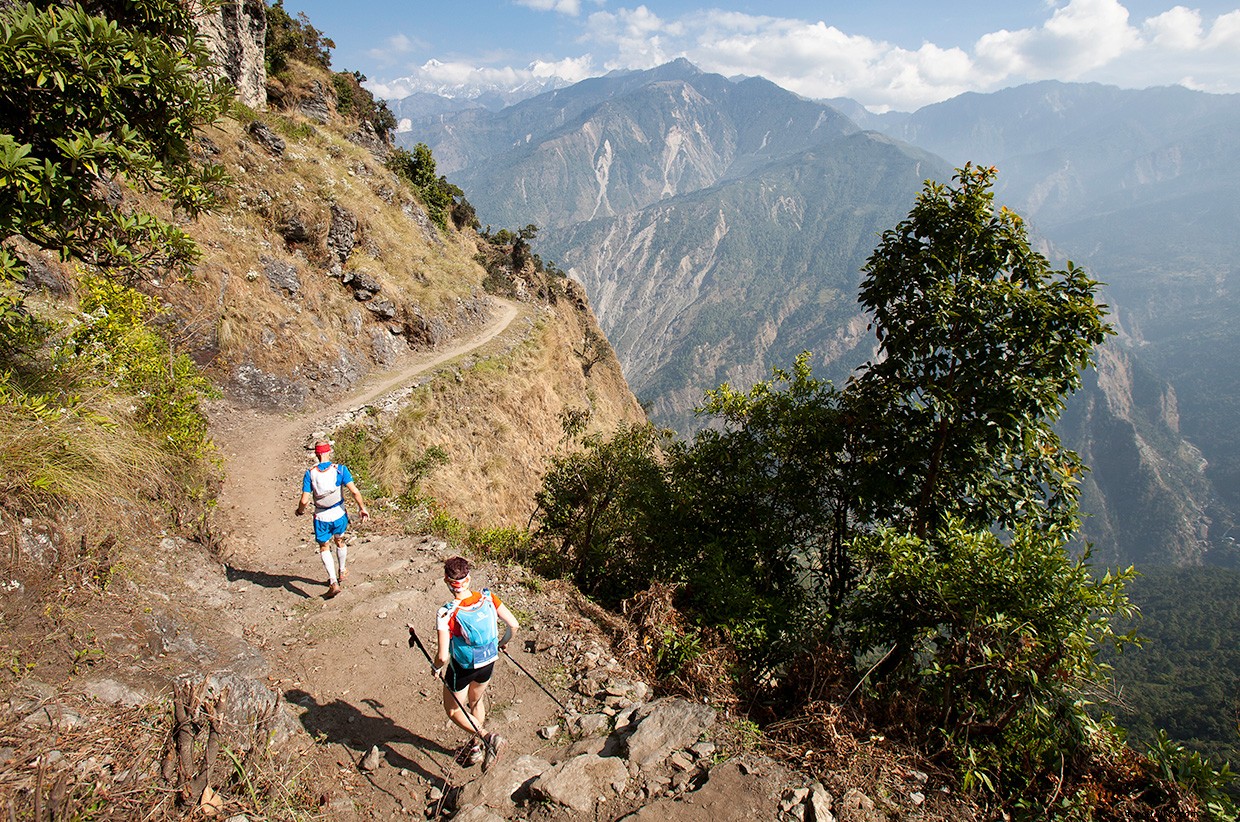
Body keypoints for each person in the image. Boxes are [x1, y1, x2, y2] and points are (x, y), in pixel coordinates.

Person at [433, 556, 520, 771]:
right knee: (476, 701)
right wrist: (503, 642)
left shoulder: (446, 612)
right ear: (468, 579)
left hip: (463, 667)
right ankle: (475, 748)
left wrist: (436, 667)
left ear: (446, 580)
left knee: (454, 711)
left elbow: (443, 656)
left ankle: (487, 737)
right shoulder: (488, 598)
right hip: (488, 661)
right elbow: (514, 624)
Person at [295, 440, 369, 598]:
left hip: (321, 516)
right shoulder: (340, 470)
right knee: (340, 540)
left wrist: (300, 511)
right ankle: (342, 570)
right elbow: (355, 492)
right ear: (329, 452)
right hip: (339, 513)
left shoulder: (310, 473)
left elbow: (304, 500)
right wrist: (362, 508)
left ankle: (333, 582)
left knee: (324, 546)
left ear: (316, 454)